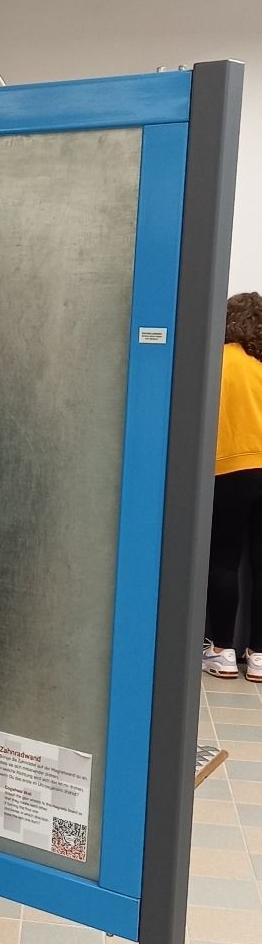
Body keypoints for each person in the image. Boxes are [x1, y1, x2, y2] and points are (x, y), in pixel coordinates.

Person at [202, 291, 262, 681]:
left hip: (229, 469)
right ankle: (258, 656)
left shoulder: (217, 361)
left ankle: (222, 651)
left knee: (224, 560)